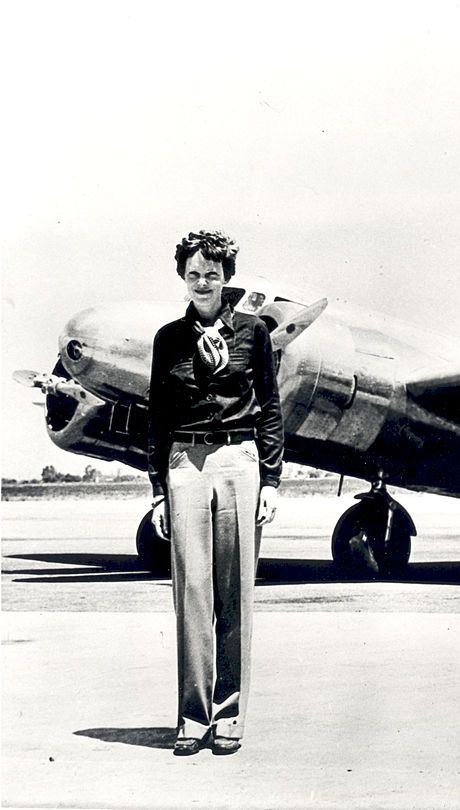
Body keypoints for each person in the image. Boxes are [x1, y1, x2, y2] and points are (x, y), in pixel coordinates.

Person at [147, 230, 283, 756]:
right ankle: (191, 717)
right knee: (191, 597)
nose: (202, 282)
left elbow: (269, 408)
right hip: (185, 463)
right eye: (193, 274)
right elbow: (157, 417)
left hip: (238, 461)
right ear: (182, 277)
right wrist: (159, 489)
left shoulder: (254, 333)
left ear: (227, 277)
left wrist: (270, 481)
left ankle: (228, 717)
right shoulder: (167, 339)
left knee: (235, 596)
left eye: (212, 273)